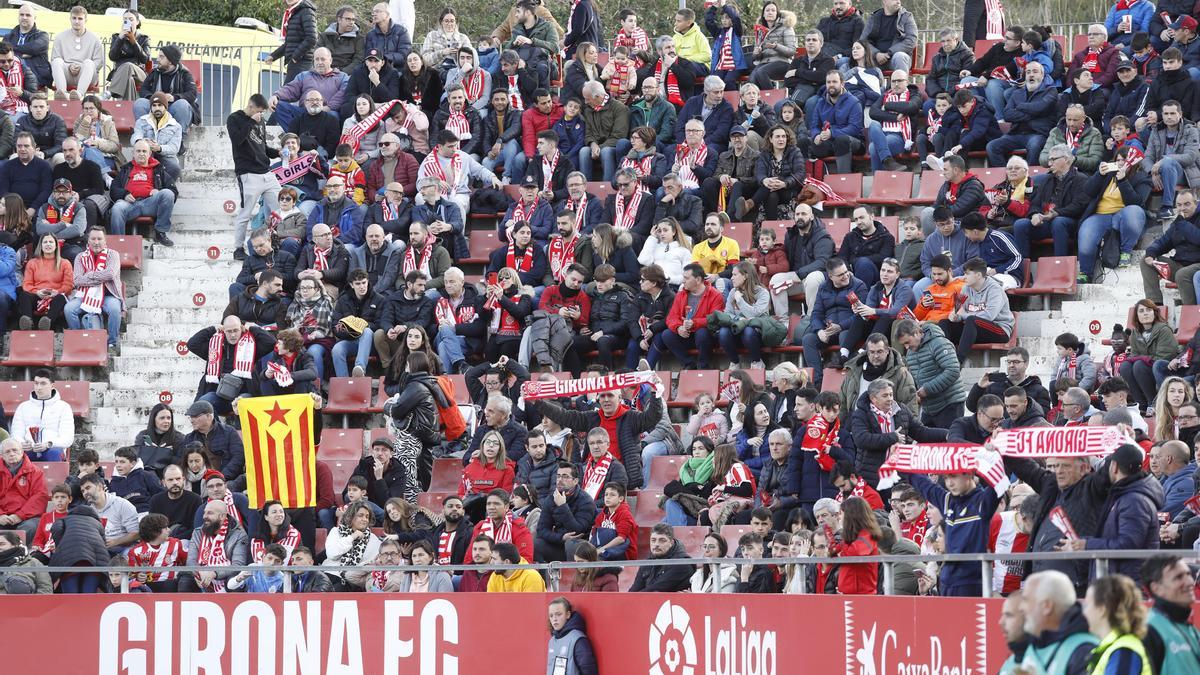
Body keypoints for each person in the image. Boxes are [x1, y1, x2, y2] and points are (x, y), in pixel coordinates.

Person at [226, 95, 282, 259]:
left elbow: (261, 146)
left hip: (266, 172)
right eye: (259, 112)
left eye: (263, 113)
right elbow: (237, 140)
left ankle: (276, 242)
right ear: (251, 107)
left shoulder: (260, 121)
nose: (261, 116)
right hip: (248, 173)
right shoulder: (234, 118)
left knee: (279, 209)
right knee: (245, 213)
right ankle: (238, 248)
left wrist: (277, 152)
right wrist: (251, 121)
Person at [1012, 144, 1090, 262]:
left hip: (1069, 222)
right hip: (1047, 221)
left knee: (1058, 222)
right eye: (1049, 160)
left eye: (1053, 160)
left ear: (1066, 160)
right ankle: (1022, 269)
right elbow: (1035, 203)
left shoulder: (1081, 179)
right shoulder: (1047, 179)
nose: (1049, 164)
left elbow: (1078, 207)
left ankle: (1061, 265)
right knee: (1020, 225)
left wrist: (1056, 213)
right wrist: (1034, 215)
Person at [186, 317, 276, 416]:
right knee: (204, 403)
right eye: (229, 331)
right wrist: (212, 329)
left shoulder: (251, 346)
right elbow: (192, 344)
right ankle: (217, 431)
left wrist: (251, 328)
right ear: (223, 330)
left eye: (236, 330)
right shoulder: (214, 345)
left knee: (242, 403)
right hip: (218, 395)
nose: (233, 335)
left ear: (241, 328)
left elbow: (271, 342)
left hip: (244, 395)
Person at [802, 257, 869, 380]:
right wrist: (819, 331)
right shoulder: (823, 288)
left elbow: (861, 315)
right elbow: (816, 313)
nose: (845, 276)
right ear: (831, 276)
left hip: (849, 329)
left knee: (845, 336)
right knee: (808, 339)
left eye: (846, 272)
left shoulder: (859, 285)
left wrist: (840, 326)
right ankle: (817, 380)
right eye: (840, 275)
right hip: (829, 329)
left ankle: (847, 379)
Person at [648, 263, 724, 370]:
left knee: (702, 333)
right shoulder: (681, 294)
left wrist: (694, 323)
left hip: (707, 336)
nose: (683, 281)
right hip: (686, 334)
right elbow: (671, 318)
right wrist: (679, 328)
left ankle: (703, 366)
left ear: (698, 280)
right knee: (667, 334)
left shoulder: (715, 295)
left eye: (686, 278)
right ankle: (688, 363)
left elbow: (716, 319)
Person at [938, 257, 1014, 362]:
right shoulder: (965, 288)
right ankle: (945, 359)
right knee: (944, 323)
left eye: (967, 274)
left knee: (971, 320)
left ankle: (958, 362)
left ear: (978, 275)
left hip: (999, 329)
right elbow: (958, 309)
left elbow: (989, 316)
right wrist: (954, 315)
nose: (964, 277)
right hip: (974, 329)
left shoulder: (995, 289)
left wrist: (962, 316)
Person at [895, 318, 965, 428]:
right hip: (929, 408)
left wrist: (927, 389)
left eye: (907, 342)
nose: (906, 347)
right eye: (904, 344)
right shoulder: (911, 352)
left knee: (948, 444)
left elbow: (953, 371)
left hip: (950, 405)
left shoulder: (939, 343)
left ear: (917, 333)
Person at [985, 61, 1057, 168]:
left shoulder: (1051, 91)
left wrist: (1020, 106)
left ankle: (1029, 179)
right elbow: (1007, 114)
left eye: (1035, 71)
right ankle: (1007, 178)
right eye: (1028, 72)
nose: (1031, 74)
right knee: (992, 146)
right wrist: (1033, 113)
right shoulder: (1017, 93)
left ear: (1042, 75)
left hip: (1038, 134)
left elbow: (1040, 107)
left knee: (1035, 145)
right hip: (1016, 133)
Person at [63, 228, 124, 353]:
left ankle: (112, 343)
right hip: (84, 295)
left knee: (114, 309)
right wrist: (99, 277)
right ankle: (80, 339)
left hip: (108, 294)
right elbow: (78, 280)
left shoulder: (113, 254)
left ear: (105, 241)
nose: (96, 242)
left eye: (99, 239)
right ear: (88, 241)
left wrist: (90, 275)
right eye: (93, 239)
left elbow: (110, 274)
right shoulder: (80, 257)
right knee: (69, 309)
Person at [109, 139, 177, 245]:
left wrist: (158, 191)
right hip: (130, 205)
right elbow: (113, 189)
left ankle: (160, 232)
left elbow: (173, 191)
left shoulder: (158, 169)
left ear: (149, 153)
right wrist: (124, 194)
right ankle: (119, 244)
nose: (141, 154)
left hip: (150, 204)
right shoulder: (126, 169)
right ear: (133, 153)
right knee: (117, 208)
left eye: (144, 151)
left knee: (168, 193)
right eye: (138, 151)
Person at [1081, 574, 1153, 673]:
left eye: (1087, 605)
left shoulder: (1124, 652)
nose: (1084, 612)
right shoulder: (1114, 648)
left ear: (1102, 609)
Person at [1141, 555, 1200, 673]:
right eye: (1178, 577)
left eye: (1188, 574)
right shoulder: (1148, 631)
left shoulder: (1190, 628)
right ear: (1156, 588)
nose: (1189, 582)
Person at [1145, 98, 1200, 222]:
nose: (1169, 117)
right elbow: (1148, 156)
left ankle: (1167, 207)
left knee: (1168, 163)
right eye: (1166, 114)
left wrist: (1164, 160)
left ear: (1180, 114)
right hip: (1161, 171)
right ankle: (1142, 211)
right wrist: (1152, 172)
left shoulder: (1191, 130)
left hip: (1186, 173)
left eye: (1172, 113)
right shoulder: (1156, 131)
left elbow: (1190, 157)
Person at [808, 70, 862, 174]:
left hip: (853, 142)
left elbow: (854, 128)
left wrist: (832, 133)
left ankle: (844, 180)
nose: (831, 85)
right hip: (828, 142)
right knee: (804, 142)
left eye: (834, 82)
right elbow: (814, 125)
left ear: (842, 84)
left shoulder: (854, 102)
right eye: (828, 82)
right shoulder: (820, 103)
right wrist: (816, 136)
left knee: (841, 140)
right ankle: (808, 182)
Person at [137, 46, 200, 130]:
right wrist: (153, 98)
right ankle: (146, 137)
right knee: (140, 103)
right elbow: (143, 89)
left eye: (161, 57)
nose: (158, 59)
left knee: (182, 105)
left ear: (170, 61)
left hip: (173, 108)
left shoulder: (184, 74)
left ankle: (179, 138)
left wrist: (174, 97)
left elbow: (192, 93)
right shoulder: (155, 72)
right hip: (156, 107)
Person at [49, 6, 101, 100]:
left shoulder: (95, 39)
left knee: (89, 63)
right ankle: (62, 94)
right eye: (74, 18)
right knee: (57, 61)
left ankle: (79, 94)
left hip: (86, 75)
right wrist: (69, 67)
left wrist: (81, 66)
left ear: (86, 20)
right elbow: (54, 58)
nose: (76, 21)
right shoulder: (60, 37)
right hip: (66, 74)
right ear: (70, 19)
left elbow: (98, 63)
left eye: (80, 18)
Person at [1040, 103, 1104, 174]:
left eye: (1075, 120)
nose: (1071, 123)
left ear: (1084, 118)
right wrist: (1058, 159)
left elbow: (1095, 162)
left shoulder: (1094, 133)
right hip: (1056, 173)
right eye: (1069, 119)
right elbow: (1042, 159)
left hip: (1082, 174)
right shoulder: (1055, 132)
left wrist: (1074, 160)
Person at [629, 523, 693, 592]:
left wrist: (632, 598)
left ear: (671, 542)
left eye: (662, 540)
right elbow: (635, 589)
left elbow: (657, 589)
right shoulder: (648, 561)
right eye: (653, 540)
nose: (656, 544)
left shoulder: (682, 564)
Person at [146, 465, 202, 541]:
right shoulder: (155, 500)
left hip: (186, 541)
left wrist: (173, 540)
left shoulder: (195, 499)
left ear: (183, 479)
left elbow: (196, 528)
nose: (175, 482)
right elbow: (152, 528)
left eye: (178, 479)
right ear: (163, 482)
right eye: (170, 480)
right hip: (162, 541)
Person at [105, 9, 151, 102]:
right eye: (125, 19)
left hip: (139, 73)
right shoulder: (116, 37)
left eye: (131, 19)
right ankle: (129, 109)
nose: (128, 22)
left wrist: (134, 42)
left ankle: (109, 93)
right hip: (120, 73)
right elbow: (112, 57)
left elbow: (145, 59)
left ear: (137, 22)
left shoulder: (144, 39)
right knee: (129, 80)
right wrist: (120, 38)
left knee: (128, 65)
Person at [10, 5, 50, 88]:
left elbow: (33, 48)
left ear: (34, 18)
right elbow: (3, 53)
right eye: (22, 15)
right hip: (10, 76)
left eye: (28, 15)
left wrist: (13, 51)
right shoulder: (9, 36)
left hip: (36, 76)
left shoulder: (43, 36)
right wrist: (22, 55)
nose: (24, 17)